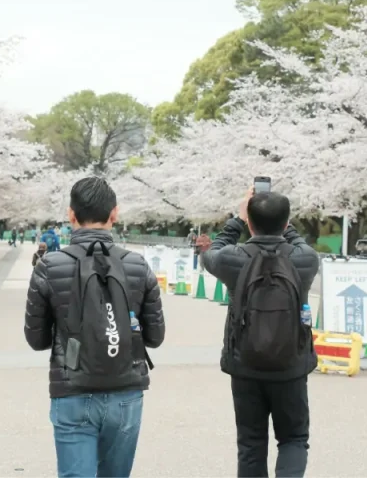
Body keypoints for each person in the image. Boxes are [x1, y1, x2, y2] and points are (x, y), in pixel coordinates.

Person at [24, 177, 165, 478]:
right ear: (114, 214)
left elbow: (36, 339)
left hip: (72, 388)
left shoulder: (49, 266)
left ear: (70, 215)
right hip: (126, 391)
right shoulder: (138, 265)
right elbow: (155, 337)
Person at [199, 188, 319, 478]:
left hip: (246, 364)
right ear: (287, 221)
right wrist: (285, 227)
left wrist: (237, 221)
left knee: (251, 443)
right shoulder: (304, 260)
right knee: (293, 439)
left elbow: (210, 252)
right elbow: (300, 244)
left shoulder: (234, 259)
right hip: (290, 365)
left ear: (249, 221)